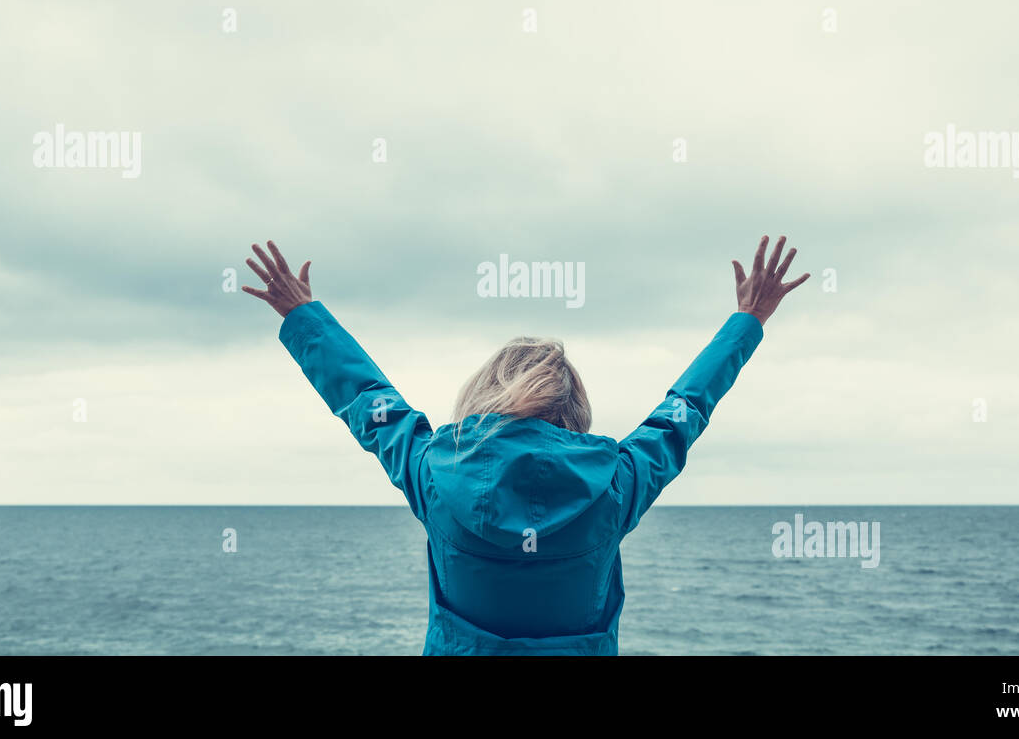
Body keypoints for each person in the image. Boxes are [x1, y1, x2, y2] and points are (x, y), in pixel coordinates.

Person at [243, 236, 809, 654]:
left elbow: (368, 400)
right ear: (575, 407)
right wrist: (748, 319)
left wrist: (304, 316)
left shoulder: (434, 472)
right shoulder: (616, 484)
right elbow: (684, 411)